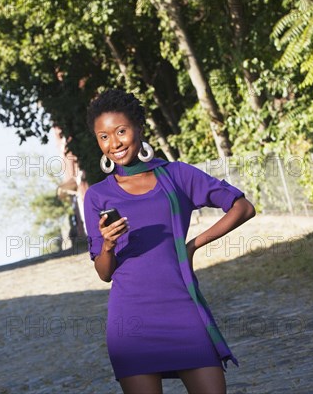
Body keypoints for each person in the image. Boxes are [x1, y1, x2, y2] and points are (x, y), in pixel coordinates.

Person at [83, 89, 256, 394]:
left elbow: (242, 207)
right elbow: (104, 272)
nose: (115, 143)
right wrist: (108, 245)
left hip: (182, 309)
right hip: (131, 321)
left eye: (121, 131)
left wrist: (193, 245)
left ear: (139, 127)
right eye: (104, 136)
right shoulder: (98, 196)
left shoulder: (175, 175)